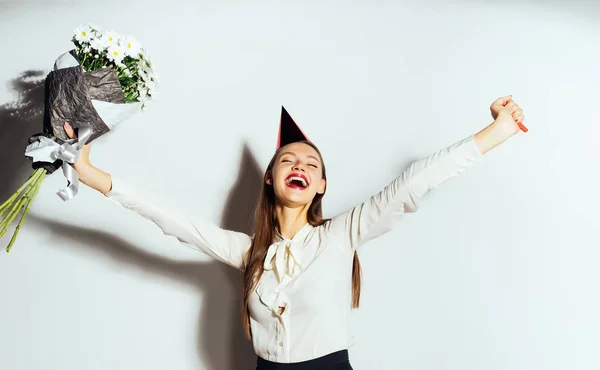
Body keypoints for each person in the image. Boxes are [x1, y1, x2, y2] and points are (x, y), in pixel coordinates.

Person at [64, 95, 526, 369]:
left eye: (312, 164)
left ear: (321, 185)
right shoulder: (246, 252)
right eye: (289, 160)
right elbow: (173, 220)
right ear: (270, 176)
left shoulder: (342, 234)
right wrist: (92, 175)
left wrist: (497, 130)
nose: (299, 166)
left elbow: (413, 183)